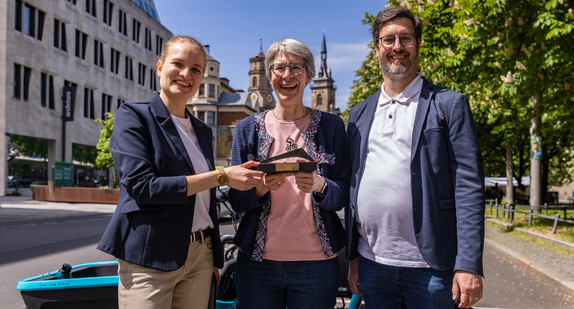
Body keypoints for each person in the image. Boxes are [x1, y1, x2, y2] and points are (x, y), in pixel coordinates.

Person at [97, 35, 263, 309]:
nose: (187, 74)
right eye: (178, 64)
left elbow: (204, 202)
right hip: (150, 256)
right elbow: (142, 187)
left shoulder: (201, 130)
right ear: (160, 67)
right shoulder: (134, 116)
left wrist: (212, 258)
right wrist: (222, 175)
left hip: (200, 255)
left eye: (196, 69)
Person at [346, 6, 485, 309]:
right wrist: (354, 257)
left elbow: (469, 187)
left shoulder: (449, 104)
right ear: (376, 48)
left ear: (418, 44)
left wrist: (470, 264)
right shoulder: (358, 114)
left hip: (433, 268)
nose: (397, 47)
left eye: (405, 38)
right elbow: (354, 188)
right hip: (373, 263)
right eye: (388, 40)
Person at [228, 39, 350, 309]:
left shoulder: (331, 126)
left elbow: (343, 194)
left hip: (317, 264)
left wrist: (321, 186)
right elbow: (237, 201)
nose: (287, 76)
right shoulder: (248, 129)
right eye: (279, 68)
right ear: (270, 75)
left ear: (308, 76)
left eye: (296, 68)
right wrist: (260, 187)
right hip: (257, 264)